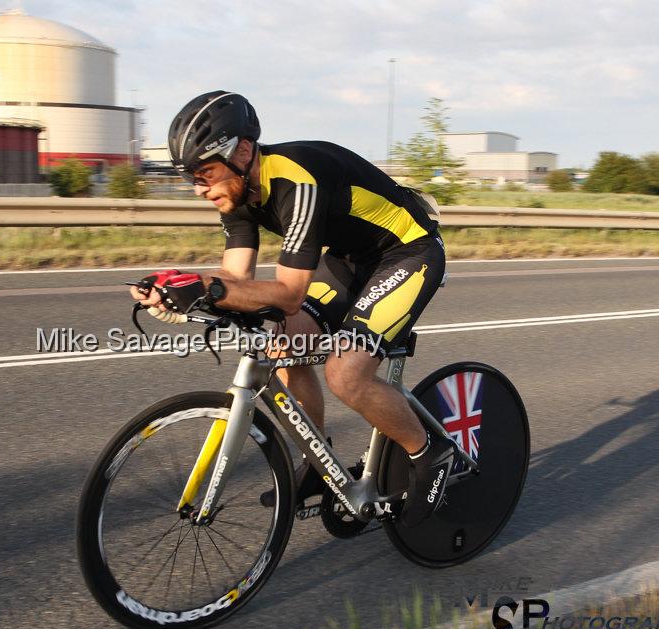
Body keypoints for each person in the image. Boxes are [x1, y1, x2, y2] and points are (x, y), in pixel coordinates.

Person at [130, 91, 454, 527]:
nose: (199, 189)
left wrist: (208, 288)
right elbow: (237, 283)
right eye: (193, 177)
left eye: (205, 173)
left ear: (242, 152)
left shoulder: (295, 181)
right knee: (281, 343)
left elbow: (287, 294)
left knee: (345, 372)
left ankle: (430, 453)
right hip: (349, 259)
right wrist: (185, 296)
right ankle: (319, 465)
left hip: (407, 252)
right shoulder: (238, 193)